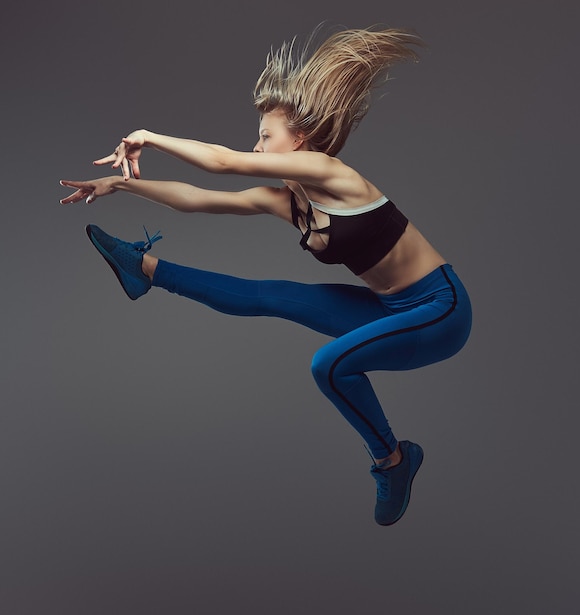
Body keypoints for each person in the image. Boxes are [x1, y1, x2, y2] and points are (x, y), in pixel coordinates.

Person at [60, 25, 472, 526]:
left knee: (329, 365)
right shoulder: (287, 201)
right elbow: (197, 198)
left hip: (439, 309)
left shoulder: (331, 173)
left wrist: (147, 135)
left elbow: (221, 162)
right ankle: (143, 268)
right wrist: (118, 187)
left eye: (265, 136)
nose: (256, 148)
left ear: (299, 141)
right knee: (271, 295)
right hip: (387, 306)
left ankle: (393, 460)